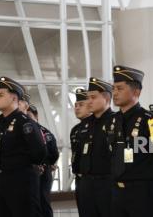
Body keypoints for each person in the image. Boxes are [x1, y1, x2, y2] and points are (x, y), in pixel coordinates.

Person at [108, 65, 153, 217]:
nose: (114, 93)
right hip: (118, 195)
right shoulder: (113, 120)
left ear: (136, 91)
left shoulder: (152, 121)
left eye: (120, 88)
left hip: (145, 195)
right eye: (113, 88)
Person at [0, 77, 47, 217]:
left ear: (14, 99)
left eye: (1, 95)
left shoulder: (25, 122)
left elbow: (39, 152)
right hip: (0, 180)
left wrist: (24, 165)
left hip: (21, 181)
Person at [76, 77, 114, 217]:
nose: (89, 101)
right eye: (88, 98)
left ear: (106, 98)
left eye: (93, 97)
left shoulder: (116, 121)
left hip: (107, 183)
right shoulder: (85, 125)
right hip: (86, 184)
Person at [18, 91, 59, 217]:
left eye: (30, 115)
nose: (27, 118)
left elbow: (54, 153)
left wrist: (47, 163)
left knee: (42, 200)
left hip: (42, 170)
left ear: (36, 116)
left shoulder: (45, 133)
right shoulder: (19, 130)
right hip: (25, 171)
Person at [69, 88, 91, 216]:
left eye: (81, 105)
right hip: (80, 180)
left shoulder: (98, 125)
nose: (77, 108)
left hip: (98, 180)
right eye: (76, 105)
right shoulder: (75, 130)